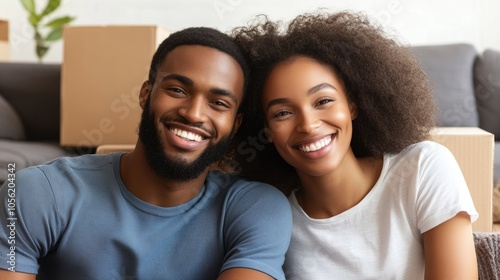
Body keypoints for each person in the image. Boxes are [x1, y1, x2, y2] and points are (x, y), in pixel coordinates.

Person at [0, 27, 292, 280]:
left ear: (235, 123)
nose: (193, 114)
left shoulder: (257, 209)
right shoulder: (34, 192)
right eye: (177, 90)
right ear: (145, 94)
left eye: (218, 103)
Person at [231, 11, 478, 279]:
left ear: (352, 105)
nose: (308, 124)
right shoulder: (271, 220)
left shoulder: (422, 168)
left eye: (323, 101)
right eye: (282, 113)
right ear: (265, 131)